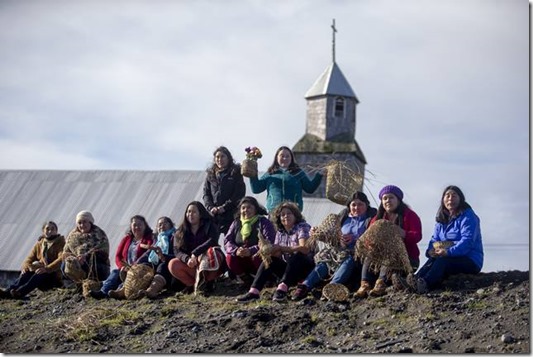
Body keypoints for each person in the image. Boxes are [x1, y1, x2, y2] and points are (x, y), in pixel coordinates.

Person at [292, 191, 377, 301]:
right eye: (353, 205)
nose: (356, 208)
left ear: (366, 205)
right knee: (325, 261)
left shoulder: (371, 219)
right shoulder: (343, 217)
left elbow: (372, 236)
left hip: (358, 253)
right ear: (349, 206)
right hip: (338, 250)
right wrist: (318, 232)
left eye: (360, 204)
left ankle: (332, 286)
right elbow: (331, 235)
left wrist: (356, 239)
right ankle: (305, 286)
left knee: (349, 260)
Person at [399, 185, 484, 294]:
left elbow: (467, 241)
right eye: (447, 196)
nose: (450, 198)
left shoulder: (468, 216)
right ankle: (412, 281)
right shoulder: (441, 219)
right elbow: (435, 240)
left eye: (454, 195)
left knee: (443, 261)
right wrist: (431, 251)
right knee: (433, 259)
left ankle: (425, 284)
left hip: (470, 260)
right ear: (443, 200)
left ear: (460, 199)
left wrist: (448, 251)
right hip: (447, 255)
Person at [236, 201, 315, 302]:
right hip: (289, 271)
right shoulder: (280, 232)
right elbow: (277, 254)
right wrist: (267, 249)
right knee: (269, 260)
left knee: (297, 255)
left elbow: (304, 249)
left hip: (304, 268)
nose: (285, 216)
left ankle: (282, 290)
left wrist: (281, 248)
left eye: (289, 213)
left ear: (295, 215)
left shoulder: (302, 226)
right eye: (282, 215)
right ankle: (254, 291)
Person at [354, 185, 422, 298]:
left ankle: (381, 284)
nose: (388, 201)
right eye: (385, 198)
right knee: (369, 255)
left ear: (398, 200)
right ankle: (364, 285)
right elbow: (368, 238)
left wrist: (403, 233)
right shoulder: (377, 219)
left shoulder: (410, 215)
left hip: (408, 258)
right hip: (381, 258)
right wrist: (370, 245)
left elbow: (417, 236)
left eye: (391, 198)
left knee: (389, 254)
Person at [168, 201, 226, 296]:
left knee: (213, 253)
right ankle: (193, 285)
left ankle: (208, 282)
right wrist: (187, 259)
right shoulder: (180, 231)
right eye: (188, 211)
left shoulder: (210, 225)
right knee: (173, 264)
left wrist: (195, 253)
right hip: (192, 264)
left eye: (194, 212)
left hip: (207, 261)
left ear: (201, 214)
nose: (190, 214)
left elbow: (212, 241)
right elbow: (176, 250)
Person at [90, 215, 154, 299]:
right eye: (134, 225)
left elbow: (148, 254)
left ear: (145, 226)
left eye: (140, 224)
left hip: (139, 270)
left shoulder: (149, 238)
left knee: (129, 279)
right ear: (131, 226)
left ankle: (120, 292)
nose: (137, 227)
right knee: (115, 272)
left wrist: (134, 267)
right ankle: (103, 292)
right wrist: (122, 266)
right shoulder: (127, 239)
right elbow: (118, 256)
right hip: (126, 267)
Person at [0, 221, 65, 299]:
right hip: (40, 277)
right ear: (43, 231)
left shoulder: (60, 243)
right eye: (47, 229)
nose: (50, 231)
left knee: (40, 273)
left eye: (52, 229)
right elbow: (29, 259)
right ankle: (8, 292)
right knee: (27, 272)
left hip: (53, 278)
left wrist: (47, 269)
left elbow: (61, 258)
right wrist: (25, 267)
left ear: (56, 231)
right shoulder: (40, 244)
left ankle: (20, 292)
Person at [249, 146, 323, 213]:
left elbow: (310, 189)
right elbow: (256, 189)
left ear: (291, 158)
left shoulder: (298, 173)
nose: (285, 158)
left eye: (287, 156)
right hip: (274, 212)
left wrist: (319, 174)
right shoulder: (270, 173)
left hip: (294, 213)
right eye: (282, 156)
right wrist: (252, 174)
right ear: (276, 158)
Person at [224, 196, 276, 284]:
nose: (246, 210)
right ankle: (245, 279)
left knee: (258, 256)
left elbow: (269, 241)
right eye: (243, 208)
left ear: (255, 209)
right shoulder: (236, 223)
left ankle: (263, 278)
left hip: (257, 259)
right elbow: (227, 241)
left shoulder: (263, 222)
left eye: (249, 207)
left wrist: (251, 250)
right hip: (242, 257)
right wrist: (236, 250)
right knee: (230, 257)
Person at [203, 146, 246, 235]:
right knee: (211, 241)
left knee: (230, 241)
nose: (220, 159)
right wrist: (210, 207)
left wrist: (225, 207)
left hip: (231, 214)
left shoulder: (235, 173)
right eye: (217, 157)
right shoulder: (210, 175)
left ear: (228, 158)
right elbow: (206, 194)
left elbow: (239, 194)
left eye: (222, 156)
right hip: (214, 215)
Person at [61, 211, 110, 289]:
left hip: (97, 266)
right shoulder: (72, 236)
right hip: (77, 262)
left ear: (90, 222)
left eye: (84, 222)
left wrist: (86, 256)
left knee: (89, 263)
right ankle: (73, 285)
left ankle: (91, 283)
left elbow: (104, 252)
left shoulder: (99, 235)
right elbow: (65, 252)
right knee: (65, 264)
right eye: (79, 223)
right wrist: (74, 259)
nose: (82, 225)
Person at [134, 216, 177, 299]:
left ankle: (152, 290)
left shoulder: (174, 237)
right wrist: (137, 264)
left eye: (165, 223)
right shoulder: (158, 241)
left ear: (171, 225)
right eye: (160, 225)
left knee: (163, 265)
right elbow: (148, 254)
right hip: (156, 263)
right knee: (144, 265)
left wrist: (163, 256)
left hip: (169, 267)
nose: (162, 226)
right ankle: (125, 289)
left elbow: (177, 254)